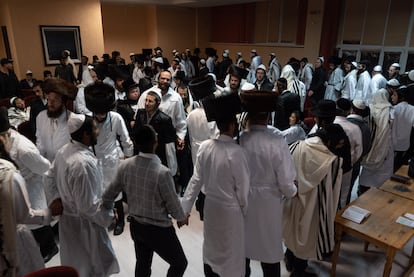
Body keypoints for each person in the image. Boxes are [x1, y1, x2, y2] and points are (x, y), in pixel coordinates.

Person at [103, 125, 188, 277]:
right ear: (156, 142)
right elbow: (173, 203)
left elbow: (108, 194)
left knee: (142, 264)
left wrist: (109, 211)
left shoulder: (125, 166)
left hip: (136, 226)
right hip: (159, 230)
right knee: (179, 263)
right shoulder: (162, 172)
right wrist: (181, 217)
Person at [181, 92, 250, 277]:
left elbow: (196, 180)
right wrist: (245, 211)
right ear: (232, 125)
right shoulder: (238, 153)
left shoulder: (205, 147)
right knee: (231, 251)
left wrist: (185, 209)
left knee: (211, 246)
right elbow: (243, 191)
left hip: (211, 207)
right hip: (231, 210)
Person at [44, 112, 119, 277]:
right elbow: (87, 207)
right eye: (94, 128)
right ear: (86, 134)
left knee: (77, 266)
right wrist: (108, 216)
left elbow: (48, 177)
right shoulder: (82, 164)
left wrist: (56, 198)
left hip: (70, 222)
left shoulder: (64, 150)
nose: (98, 131)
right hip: (85, 227)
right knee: (90, 268)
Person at [239, 89, 297, 277]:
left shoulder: (240, 139)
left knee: (243, 249)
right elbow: (286, 182)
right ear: (268, 116)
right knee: (270, 252)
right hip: (269, 203)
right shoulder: (277, 140)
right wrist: (293, 192)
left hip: (243, 201)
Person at [0, 116, 62, 276]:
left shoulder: (23, 148)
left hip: (31, 186)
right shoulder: (7, 148)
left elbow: (44, 168)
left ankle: (50, 247)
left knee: (36, 221)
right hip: (18, 187)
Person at [283, 124, 346, 277]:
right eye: (339, 144)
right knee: (305, 238)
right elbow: (333, 193)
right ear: (330, 143)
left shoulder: (295, 145)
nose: (339, 147)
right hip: (313, 208)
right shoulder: (333, 162)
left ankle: (289, 259)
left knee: (291, 233)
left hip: (291, 200)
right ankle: (298, 272)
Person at [85, 82, 134, 236]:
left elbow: (125, 139)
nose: (100, 116)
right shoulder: (87, 121)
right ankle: (106, 218)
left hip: (112, 158)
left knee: (115, 191)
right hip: (95, 159)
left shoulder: (116, 118)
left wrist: (128, 157)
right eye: (97, 113)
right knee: (99, 191)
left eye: (103, 113)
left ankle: (120, 221)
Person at [137, 70, 187, 177]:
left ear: (171, 81)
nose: (164, 81)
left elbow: (181, 121)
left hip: (167, 139)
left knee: (166, 167)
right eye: (162, 78)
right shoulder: (146, 94)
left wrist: (180, 137)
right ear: (158, 79)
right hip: (147, 140)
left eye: (167, 79)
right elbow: (140, 115)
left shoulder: (176, 98)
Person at [358, 88, 393, 194]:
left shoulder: (371, 109)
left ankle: (363, 189)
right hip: (385, 144)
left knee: (367, 173)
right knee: (383, 170)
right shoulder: (390, 111)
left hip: (371, 144)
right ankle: (379, 191)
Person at [35, 78, 77, 162]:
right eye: (49, 99)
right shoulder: (41, 117)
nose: (50, 104)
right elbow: (40, 142)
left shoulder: (74, 121)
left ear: (64, 103)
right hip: (48, 166)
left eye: (55, 100)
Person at [134, 91, 176, 167]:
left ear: (157, 103)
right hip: (141, 151)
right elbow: (135, 131)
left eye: (150, 101)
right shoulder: (140, 113)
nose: (146, 103)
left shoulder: (165, 119)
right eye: (146, 100)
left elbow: (169, 140)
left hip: (157, 153)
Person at [390, 85, 414, 171]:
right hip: (405, 143)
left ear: (401, 97)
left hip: (391, 142)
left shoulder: (393, 109)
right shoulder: (412, 109)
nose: (392, 97)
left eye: (395, 95)